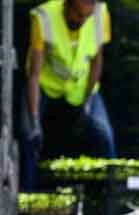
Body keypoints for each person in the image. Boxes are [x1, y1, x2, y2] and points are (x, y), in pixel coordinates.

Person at [19, 0, 115, 190]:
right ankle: (27, 196)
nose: (83, 20)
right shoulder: (43, 17)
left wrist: (88, 102)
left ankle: (115, 196)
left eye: (87, 17)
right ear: (67, 5)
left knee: (104, 135)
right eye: (79, 15)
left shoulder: (100, 12)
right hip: (47, 85)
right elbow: (34, 74)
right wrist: (34, 119)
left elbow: (97, 59)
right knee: (29, 136)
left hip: (82, 87)